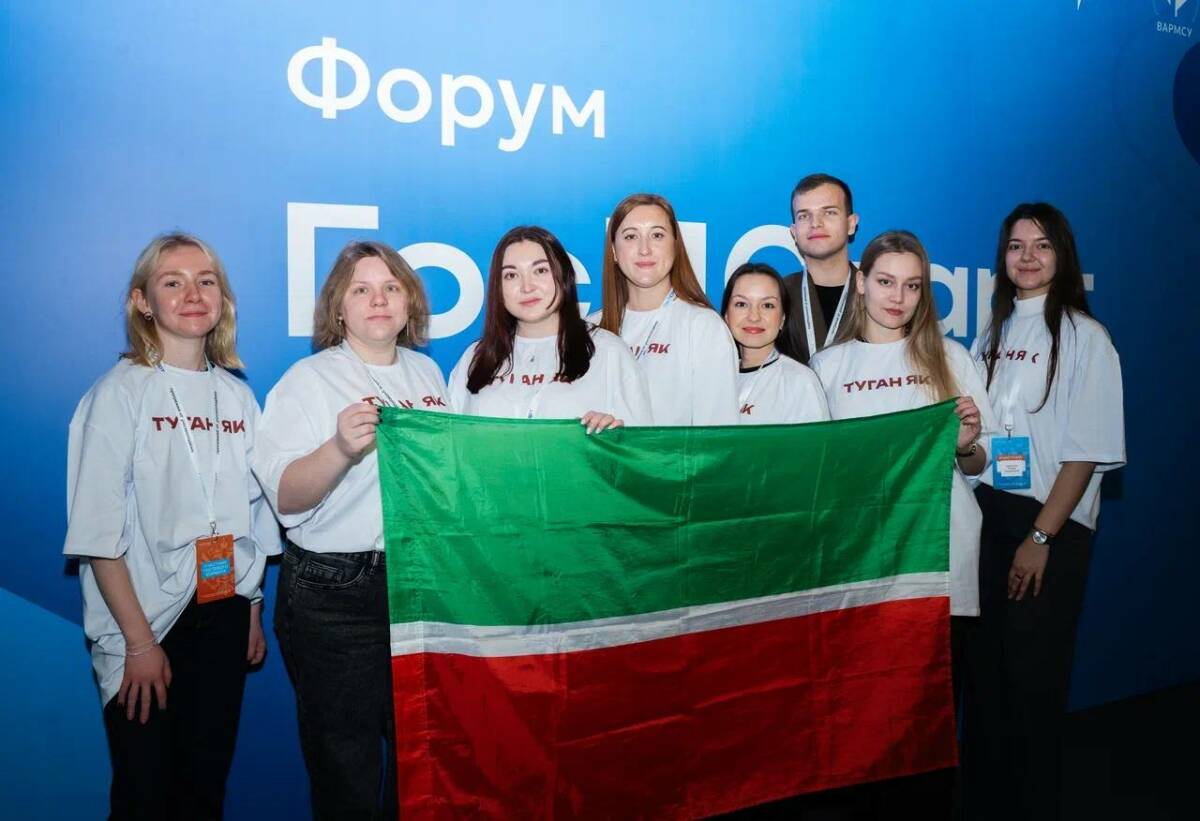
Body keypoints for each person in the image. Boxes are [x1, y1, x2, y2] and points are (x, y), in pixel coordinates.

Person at [64, 232, 279, 819]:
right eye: (173, 282)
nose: (193, 294)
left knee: (203, 792)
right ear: (142, 301)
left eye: (206, 282)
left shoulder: (237, 397)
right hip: (145, 621)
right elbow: (97, 536)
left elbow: (253, 514)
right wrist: (139, 643)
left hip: (224, 610)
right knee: (146, 794)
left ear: (223, 300)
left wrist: (251, 606)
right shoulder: (118, 394)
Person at [252, 240, 448, 820]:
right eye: (361, 290)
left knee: (418, 759)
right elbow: (285, 498)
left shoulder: (428, 373)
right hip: (335, 592)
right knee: (347, 769)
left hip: (417, 582)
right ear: (338, 308)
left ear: (410, 302)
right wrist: (339, 448)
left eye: (390, 287)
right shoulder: (308, 380)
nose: (378, 300)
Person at [962, 203, 1125, 821]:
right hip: (991, 518)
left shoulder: (1087, 337)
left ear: (1063, 254)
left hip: (1048, 527)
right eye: (1016, 246)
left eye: (1042, 245)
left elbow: (1085, 452)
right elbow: (987, 446)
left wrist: (1039, 537)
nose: (1027, 257)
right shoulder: (993, 332)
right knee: (987, 682)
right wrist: (965, 449)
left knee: (1033, 687)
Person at [449, 225, 650, 429]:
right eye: (511, 275)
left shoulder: (609, 352)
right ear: (497, 287)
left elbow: (641, 442)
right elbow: (449, 440)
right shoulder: (474, 359)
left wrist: (613, 434)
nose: (527, 287)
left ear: (564, 276)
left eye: (540, 271)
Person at [593, 193, 739, 425]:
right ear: (613, 251)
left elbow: (717, 435)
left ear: (675, 245)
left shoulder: (703, 326)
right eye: (630, 236)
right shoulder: (591, 329)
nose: (644, 249)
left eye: (657, 235)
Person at [719, 262, 829, 424]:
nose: (754, 316)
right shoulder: (713, 378)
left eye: (767, 305)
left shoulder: (800, 381)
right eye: (741, 304)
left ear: (782, 318)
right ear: (726, 316)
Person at [781, 173, 861, 364]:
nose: (815, 223)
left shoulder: (880, 292)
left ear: (851, 224)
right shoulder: (776, 295)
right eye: (804, 216)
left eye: (829, 212)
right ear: (794, 232)